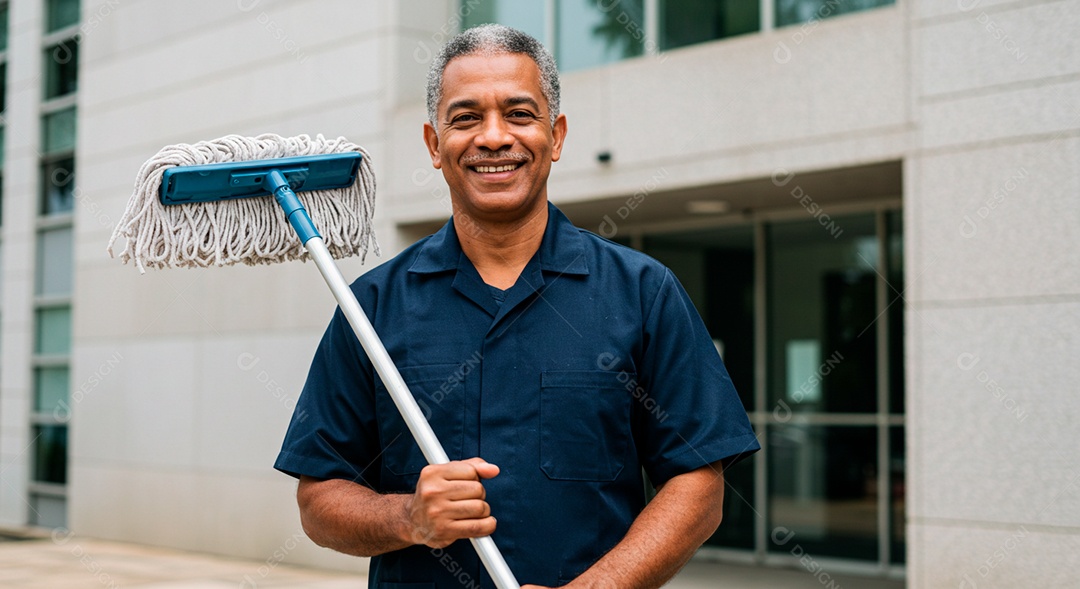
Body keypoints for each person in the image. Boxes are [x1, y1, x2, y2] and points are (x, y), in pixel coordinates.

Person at [275, 24, 759, 589]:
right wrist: (408, 516)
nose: (494, 137)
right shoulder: (372, 308)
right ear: (434, 145)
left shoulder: (643, 294)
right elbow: (319, 499)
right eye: (466, 117)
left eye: (519, 114)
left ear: (556, 136)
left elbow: (699, 485)